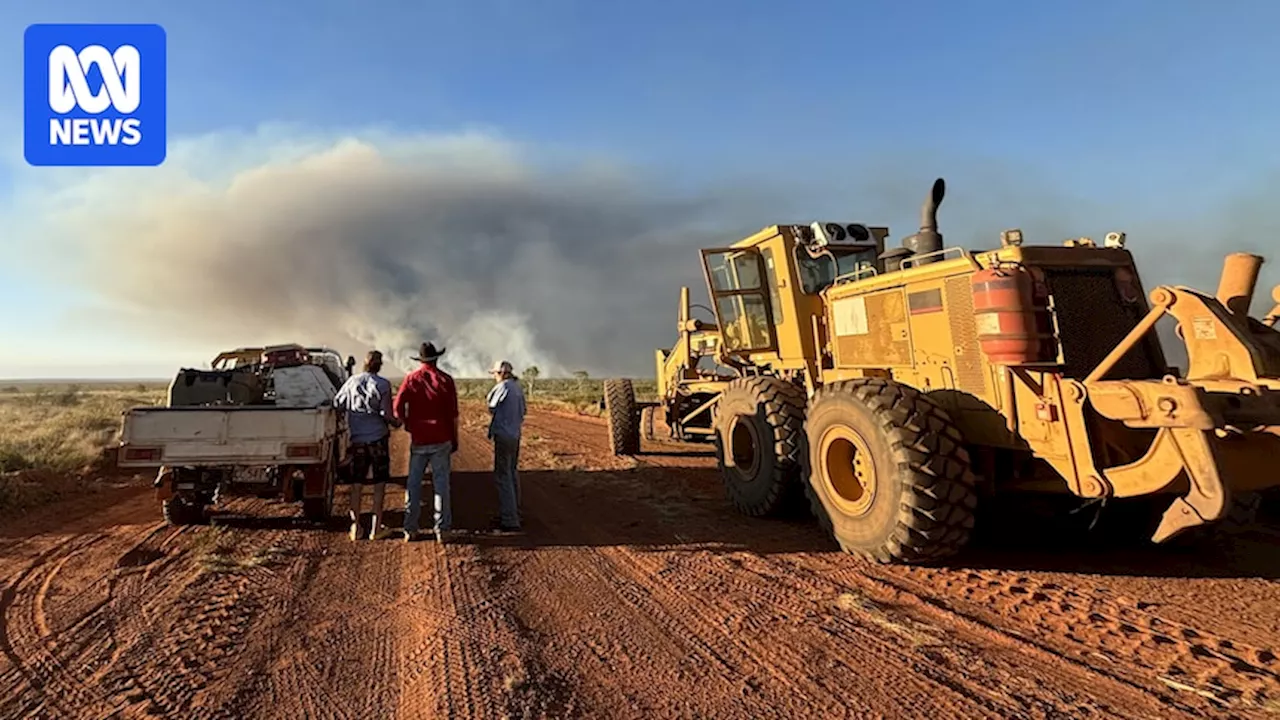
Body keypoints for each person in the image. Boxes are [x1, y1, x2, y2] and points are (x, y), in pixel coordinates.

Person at [393, 342, 459, 544]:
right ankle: (442, 530)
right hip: (442, 439)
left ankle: (410, 529)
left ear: (421, 360)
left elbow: (397, 407)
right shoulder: (446, 380)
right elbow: (454, 414)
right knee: (441, 486)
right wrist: (454, 439)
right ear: (436, 359)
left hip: (420, 439)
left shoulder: (411, 379)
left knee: (413, 485)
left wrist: (407, 424)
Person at [332, 350, 401, 541]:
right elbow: (386, 414)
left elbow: (338, 403)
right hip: (378, 438)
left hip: (358, 440)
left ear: (364, 363)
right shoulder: (383, 384)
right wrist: (396, 422)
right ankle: (375, 528)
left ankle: (356, 528)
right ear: (379, 365)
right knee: (379, 484)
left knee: (357, 484)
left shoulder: (352, 381)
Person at [486, 360, 527, 532]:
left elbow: (491, 406)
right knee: (512, 473)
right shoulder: (518, 388)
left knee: (503, 476)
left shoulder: (502, 387)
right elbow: (524, 411)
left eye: (495, 373)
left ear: (501, 374)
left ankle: (509, 520)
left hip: (503, 435)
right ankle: (514, 512)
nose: (495, 376)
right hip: (515, 435)